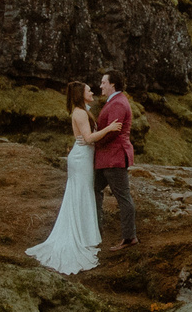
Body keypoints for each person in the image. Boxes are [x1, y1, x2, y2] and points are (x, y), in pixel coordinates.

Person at [27, 80, 117, 275]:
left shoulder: (82, 111)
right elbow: (88, 138)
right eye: (88, 90)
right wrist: (109, 129)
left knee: (82, 193)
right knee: (82, 193)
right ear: (80, 94)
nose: (92, 91)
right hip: (81, 158)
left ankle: (85, 233)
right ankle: (81, 236)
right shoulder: (80, 113)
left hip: (83, 156)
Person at [92, 68, 140, 250]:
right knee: (94, 190)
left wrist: (93, 141)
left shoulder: (118, 103)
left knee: (123, 197)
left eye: (104, 82)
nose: (101, 86)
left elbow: (114, 131)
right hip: (108, 158)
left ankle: (129, 237)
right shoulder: (114, 101)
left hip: (114, 158)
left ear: (112, 84)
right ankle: (96, 230)